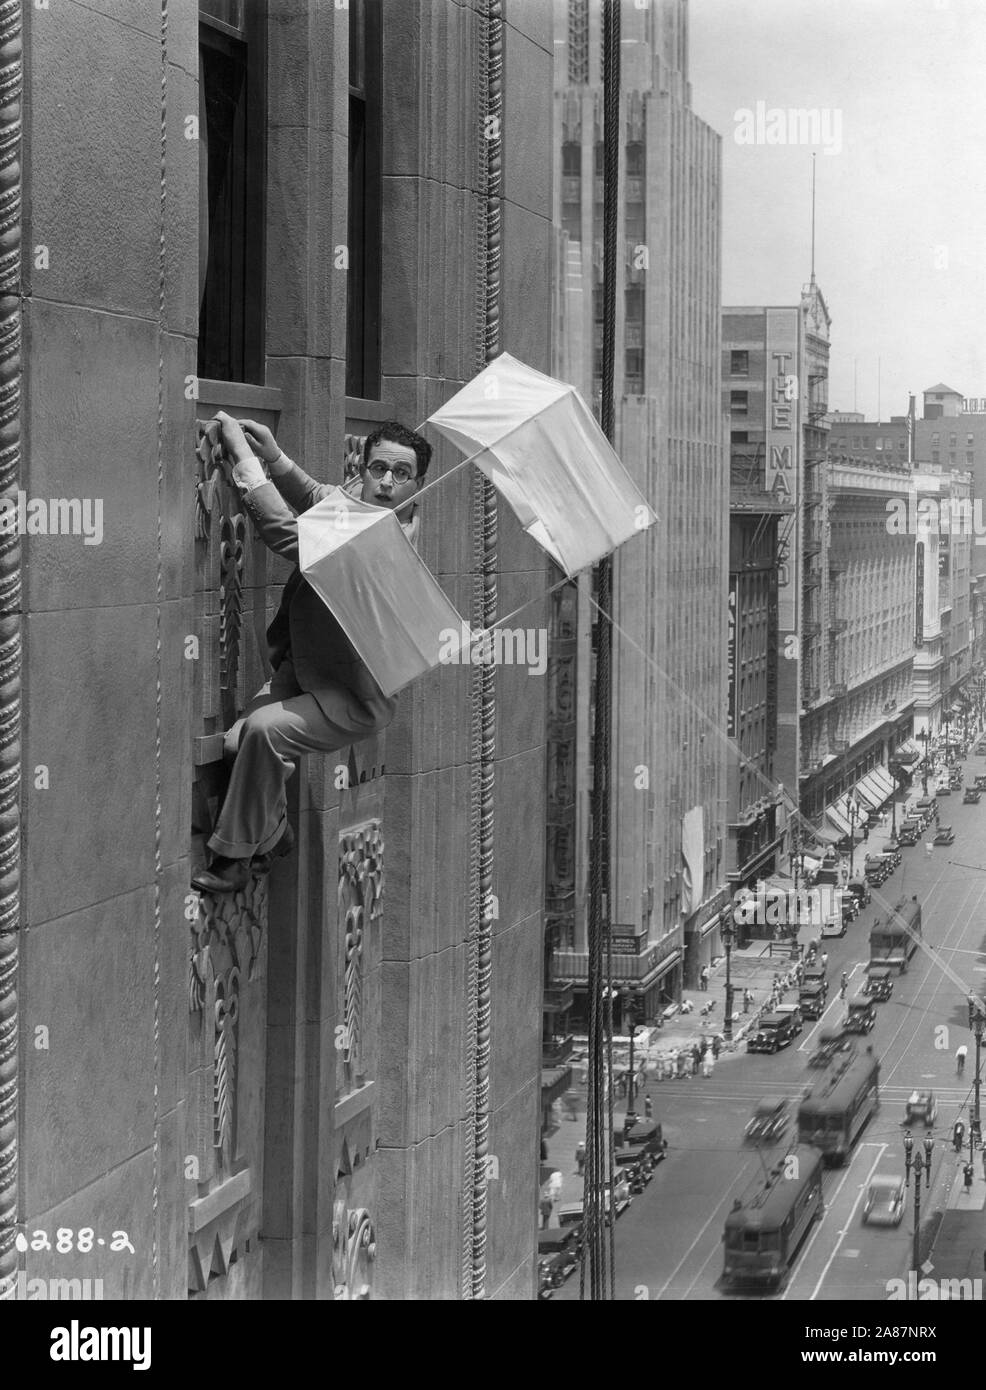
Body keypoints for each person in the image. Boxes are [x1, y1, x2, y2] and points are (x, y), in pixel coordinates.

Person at [192, 415, 430, 893]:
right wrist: (276, 458)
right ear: (361, 469)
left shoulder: (389, 541)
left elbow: (287, 535)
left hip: (353, 699)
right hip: (303, 671)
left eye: (400, 474)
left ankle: (232, 860)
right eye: (378, 468)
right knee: (241, 742)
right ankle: (275, 832)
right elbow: (321, 498)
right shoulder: (360, 510)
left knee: (262, 732)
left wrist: (243, 459)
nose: (386, 482)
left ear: (418, 485)